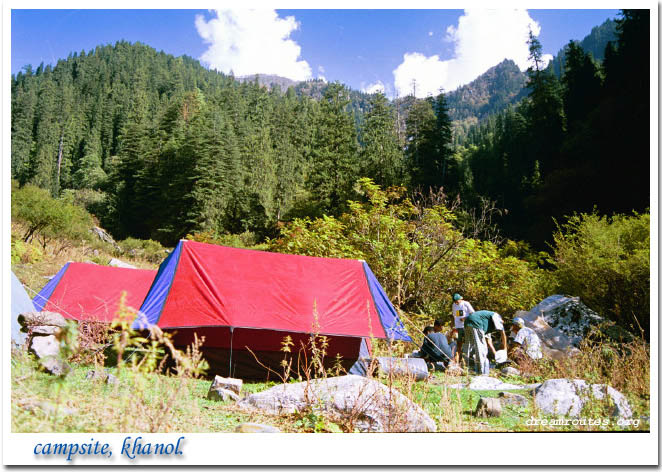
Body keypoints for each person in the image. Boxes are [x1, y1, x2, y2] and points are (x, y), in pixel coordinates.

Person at [463, 310, 507, 375]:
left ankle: (464, 368)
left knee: (468, 346)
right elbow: (503, 333)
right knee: (480, 347)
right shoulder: (496, 316)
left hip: (467, 321)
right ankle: (481, 372)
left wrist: (496, 354)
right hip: (476, 322)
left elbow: (489, 342)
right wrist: (505, 349)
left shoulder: (487, 323)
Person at [451, 293, 475, 363]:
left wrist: (465, 318)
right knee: (459, 343)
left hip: (466, 326)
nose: (456, 303)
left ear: (460, 299)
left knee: (467, 343)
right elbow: (454, 315)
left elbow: (473, 313)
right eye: (455, 301)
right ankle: (458, 360)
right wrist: (453, 326)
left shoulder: (466, 304)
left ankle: (466, 359)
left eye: (457, 301)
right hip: (458, 327)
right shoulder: (454, 305)